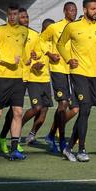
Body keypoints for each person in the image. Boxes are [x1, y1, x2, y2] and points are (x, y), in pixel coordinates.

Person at [58, 0, 96, 162]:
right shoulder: (72, 27)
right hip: (78, 72)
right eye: (93, 9)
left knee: (86, 112)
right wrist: (68, 59)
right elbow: (60, 45)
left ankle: (68, 148)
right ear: (85, 10)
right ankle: (81, 150)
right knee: (85, 106)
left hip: (94, 74)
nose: (95, 11)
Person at [0, 6, 32, 161]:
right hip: (2, 77)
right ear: (7, 15)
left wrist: (27, 59)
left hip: (18, 78)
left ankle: (14, 150)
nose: (12, 17)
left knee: (18, 112)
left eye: (15, 14)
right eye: (10, 14)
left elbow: (22, 50)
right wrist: (9, 61)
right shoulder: (0, 31)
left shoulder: (24, 31)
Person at [40, 1, 78, 153]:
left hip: (74, 71)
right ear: (64, 11)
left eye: (75, 10)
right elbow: (41, 40)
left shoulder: (78, 27)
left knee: (75, 109)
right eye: (70, 10)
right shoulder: (54, 27)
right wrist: (49, 54)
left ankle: (50, 134)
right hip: (58, 69)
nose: (73, 13)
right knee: (62, 104)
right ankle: (61, 139)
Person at [20, 16, 55, 148]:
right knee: (37, 108)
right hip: (33, 79)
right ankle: (18, 127)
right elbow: (31, 56)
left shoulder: (52, 43)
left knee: (44, 110)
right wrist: (34, 65)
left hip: (46, 80)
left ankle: (32, 134)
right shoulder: (37, 40)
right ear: (44, 29)